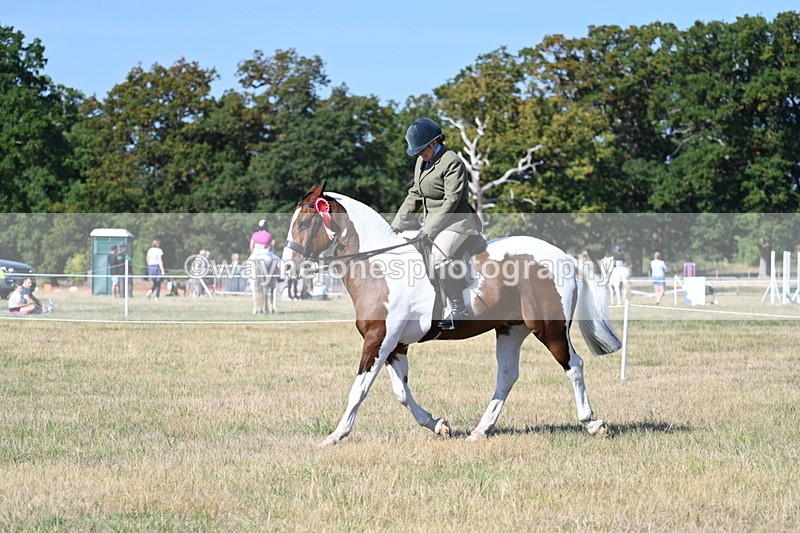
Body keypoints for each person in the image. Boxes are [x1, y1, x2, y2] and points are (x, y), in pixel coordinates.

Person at [390, 117, 483, 329]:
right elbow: (414, 193)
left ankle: (459, 310)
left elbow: (451, 201)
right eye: (417, 151)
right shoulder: (422, 161)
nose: (420, 154)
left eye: (423, 149)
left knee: (439, 257)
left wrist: (427, 230)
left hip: (457, 222)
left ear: (434, 142)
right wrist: (395, 227)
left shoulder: (452, 162)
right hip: (433, 221)